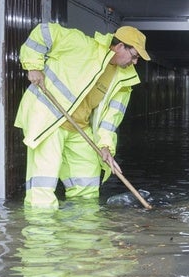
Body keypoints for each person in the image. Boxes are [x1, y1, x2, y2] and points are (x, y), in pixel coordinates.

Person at [14, 23, 150, 208]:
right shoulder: (81, 44)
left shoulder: (124, 79)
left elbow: (111, 119)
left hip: (79, 127)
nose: (134, 62)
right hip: (49, 118)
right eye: (134, 56)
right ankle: (40, 232)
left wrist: (105, 147)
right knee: (43, 185)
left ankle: (81, 232)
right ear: (119, 46)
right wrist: (33, 66)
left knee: (87, 187)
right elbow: (43, 32)